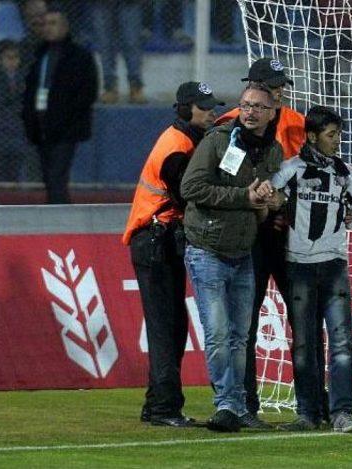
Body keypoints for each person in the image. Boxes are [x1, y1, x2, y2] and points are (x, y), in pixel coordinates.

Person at [265, 106, 352, 432]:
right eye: (331, 135)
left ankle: (342, 413)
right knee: (303, 343)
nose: (338, 141)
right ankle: (308, 414)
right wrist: (270, 202)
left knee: (342, 342)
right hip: (298, 267)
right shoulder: (290, 171)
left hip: (334, 267)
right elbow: (271, 201)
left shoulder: (345, 174)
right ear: (312, 136)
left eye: (339, 134)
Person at [213, 57, 316, 428]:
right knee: (243, 324)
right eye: (273, 85)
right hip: (249, 236)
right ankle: (244, 406)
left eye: (280, 86)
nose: (280, 91)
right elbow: (221, 182)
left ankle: (310, 407)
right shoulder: (230, 129)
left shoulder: (299, 124)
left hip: (291, 233)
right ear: (254, 89)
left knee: (304, 319)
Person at [181, 82, 284, 432]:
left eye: (258, 106)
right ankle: (226, 404)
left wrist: (273, 201)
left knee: (240, 336)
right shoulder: (218, 140)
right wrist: (245, 197)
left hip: (242, 251)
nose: (250, 111)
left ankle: (237, 408)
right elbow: (190, 188)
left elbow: (270, 199)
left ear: (272, 113)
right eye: (245, 105)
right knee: (219, 334)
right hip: (207, 248)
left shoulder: (274, 151)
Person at [122, 81, 224, 427]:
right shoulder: (176, 148)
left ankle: (159, 406)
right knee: (167, 325)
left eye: (213, 106)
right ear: (184, 109)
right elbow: (189, 196)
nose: (212, 112)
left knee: (173, 324)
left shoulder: (184, 139)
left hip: (158, 238)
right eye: (205, 106)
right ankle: (164, 407)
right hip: (155, 239)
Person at [22, 7, 98, 204]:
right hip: (40, 124)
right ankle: (57, 210)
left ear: (65, 27)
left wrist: (67, 116)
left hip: (66, 128)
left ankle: (60, 215)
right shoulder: (38, 54)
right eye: (45, 24)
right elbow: (30, 87)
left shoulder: (79, 56)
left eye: (53, 23)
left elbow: (87, 91)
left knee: (57, 174)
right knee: (48, 176)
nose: (48, 28)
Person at [92, 0, 146, 104]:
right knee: (105, 44)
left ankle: (135, 87)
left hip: (129, 3)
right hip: (101, 4)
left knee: (132, 42)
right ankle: (110, 87)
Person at [0, 39, 35, 182]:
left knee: (19, 175)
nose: (13, 62)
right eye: (8, 58)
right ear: (0, 59)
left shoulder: (26, 78)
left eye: (16, 57)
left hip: (20, 134)